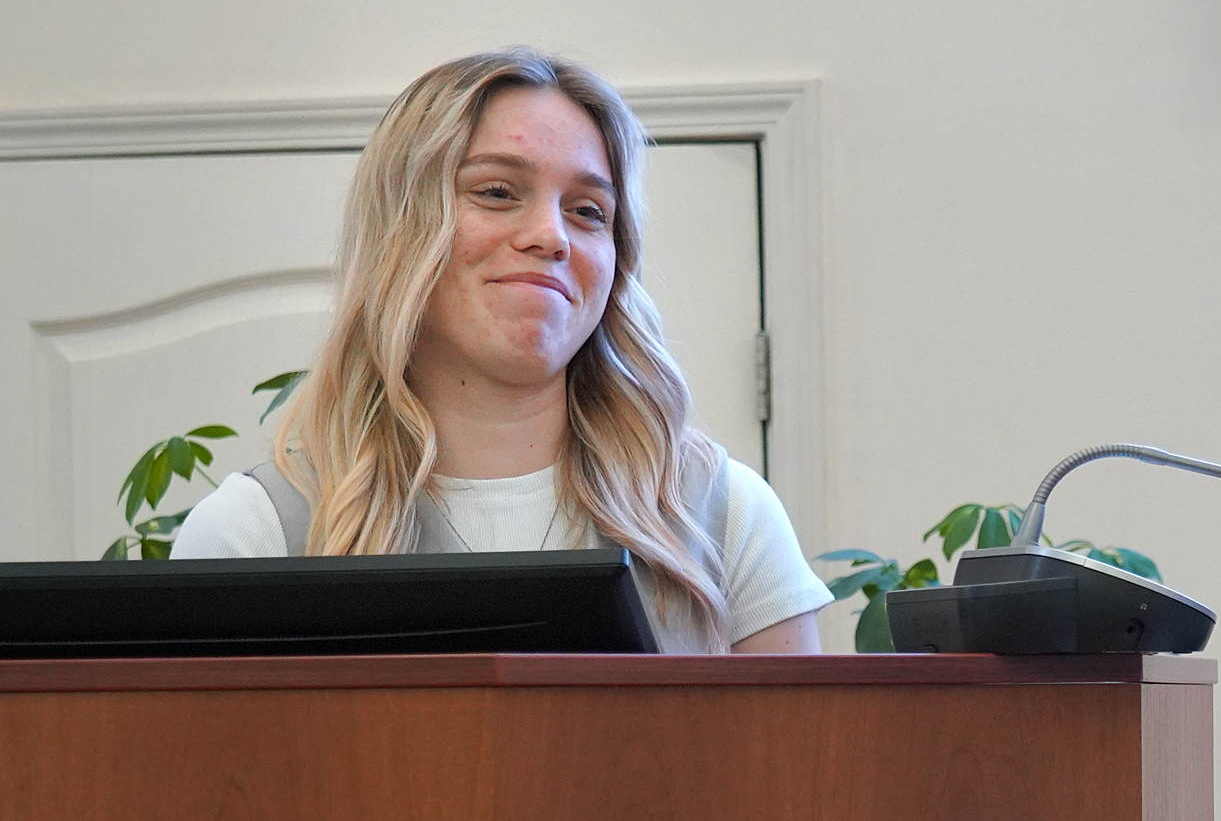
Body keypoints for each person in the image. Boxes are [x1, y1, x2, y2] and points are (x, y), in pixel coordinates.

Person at [174, 47, 831, 653]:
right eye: (496, 192)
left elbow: (797, 749)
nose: (551, 236)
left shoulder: (724, 517)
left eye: (588, 211)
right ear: (398, 229)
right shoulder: (253, 533)